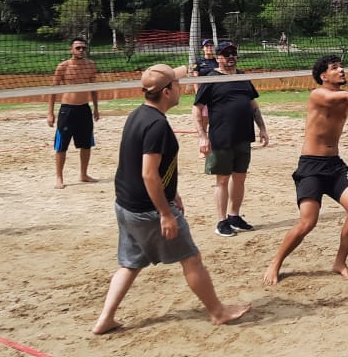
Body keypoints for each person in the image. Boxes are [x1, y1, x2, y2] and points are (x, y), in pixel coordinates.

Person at [92, 64, 250, 334]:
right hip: (149, 210)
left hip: (126, 205)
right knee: (192, 259)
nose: (182, 88)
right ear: (167, 92)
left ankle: (105, 319)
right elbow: (148, 174)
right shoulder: (157, 126)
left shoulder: (137, 115)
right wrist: (165, 213)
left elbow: (144, 166)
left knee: (130, 264)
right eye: (177, 85)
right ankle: (218, 312)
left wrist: (172, 192)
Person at [262, 55, 348, 285]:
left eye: (341, 67)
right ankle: (276, 262)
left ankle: (340, 262)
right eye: (335, 68)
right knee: (308, 222)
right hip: (311, 165)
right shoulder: (318, 94)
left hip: (335, 165)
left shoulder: (346, 97)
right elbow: (344, 97)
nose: (341, 71)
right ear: (323, 76)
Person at [192, 41, 269, 238]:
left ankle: (234, 216)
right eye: (226, 54)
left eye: (233, 53)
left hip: (243, 135)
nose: (231, 56)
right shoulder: (211, 79)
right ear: (218, 58)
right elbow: (197, 109)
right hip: (221, 137)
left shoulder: (243, 77)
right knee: (222, 179)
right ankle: (221, 221)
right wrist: (202, 137)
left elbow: (253, 105)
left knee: (240, 177)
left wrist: (262, 128)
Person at [46, 38, 100, 189]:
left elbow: (93, 89)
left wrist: (96, 108)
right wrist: (50, 113)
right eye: (78, 48)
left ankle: (83, 174)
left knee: (86, 144)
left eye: (83, 48)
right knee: (62, 145)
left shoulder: (90, 65)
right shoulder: (63, 66)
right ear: (71, 50)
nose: (81, 50)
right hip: (67, 110)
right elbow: (53, 91)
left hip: (84, 109)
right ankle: (59, 178)